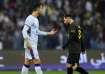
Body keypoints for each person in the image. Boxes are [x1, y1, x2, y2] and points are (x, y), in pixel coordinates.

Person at [21, 4, 57, 74]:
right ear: (37, 9)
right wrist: (27, 42)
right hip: (30, 43)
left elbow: (37, 31)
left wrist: (49, 33)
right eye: (41, 8)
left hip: (32, 43)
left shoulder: (36, 19)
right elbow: (24, 31)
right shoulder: (30, 18)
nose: (43, 10)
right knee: (37, 61)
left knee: (27, 62)